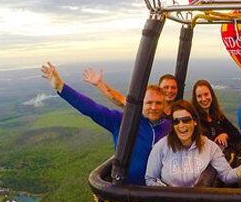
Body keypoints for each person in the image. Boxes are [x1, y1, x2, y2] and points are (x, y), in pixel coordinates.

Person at [41, 62, 169, 185]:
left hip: (158, 192)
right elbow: (92, 108)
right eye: (149, 103)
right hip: (128, 193)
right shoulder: (123, 122)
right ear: (141, 104)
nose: (154, 107)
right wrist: (61, 87)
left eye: (158, 103)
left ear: (164, 105)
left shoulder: (168, 127)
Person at [145, 101, 241, 187]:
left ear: (194, 121)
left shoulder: (209, 147)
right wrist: (167, 195)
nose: (181, 125)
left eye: (186, 120)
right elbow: (150, 178)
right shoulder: (162, 146)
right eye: (176, 121)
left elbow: (227, 176)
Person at [82, 68, 178, 114]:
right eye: (166, 87)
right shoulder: (145, 107)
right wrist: (99, 84)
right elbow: (118, 99)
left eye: (173, 87)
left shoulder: (179, 109)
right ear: (159, 89)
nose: (170, 90)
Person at [192, 80, 241, 164]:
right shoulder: (194, 120)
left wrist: (225, 135)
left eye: (206, 94)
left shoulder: (218, 116)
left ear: (211, 94)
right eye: (199, 96)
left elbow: (236, 134)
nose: (204, 99)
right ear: (195, 99)